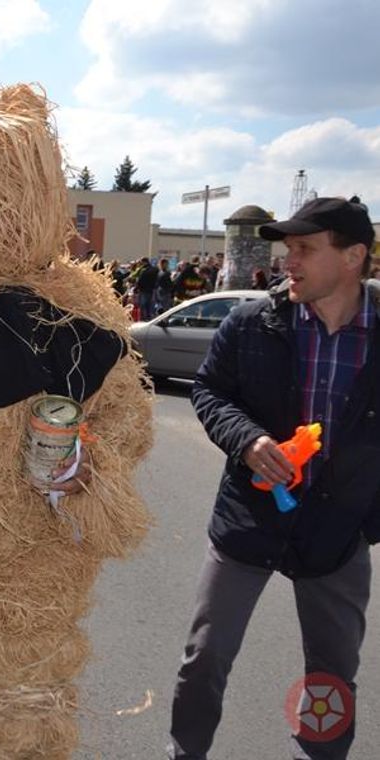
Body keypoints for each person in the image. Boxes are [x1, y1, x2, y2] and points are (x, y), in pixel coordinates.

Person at [168, 196, 379, 760]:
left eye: (305, 249)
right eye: (288, 248)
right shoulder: (252, 322)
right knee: (206, 656)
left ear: (354, 256)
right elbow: (210, 391)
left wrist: (368, 520)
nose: (290, 260)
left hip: (337, 534)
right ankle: (185, 754)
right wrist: (248, 439)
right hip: (249, 521)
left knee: (332, 674)